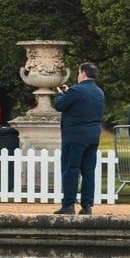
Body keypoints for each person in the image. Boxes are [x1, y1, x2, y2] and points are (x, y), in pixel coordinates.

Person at [53, 62, 105, 215]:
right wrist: (69, 93)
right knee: (88, 171)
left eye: (78, 73)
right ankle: (87, 205)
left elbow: (59, 105)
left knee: (71, 170)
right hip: (93, 136)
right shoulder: (99, 92)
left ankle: (68, 205)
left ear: (83, 73)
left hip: (75, 135)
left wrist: (61, 94)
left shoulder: (76, 90)